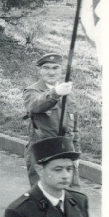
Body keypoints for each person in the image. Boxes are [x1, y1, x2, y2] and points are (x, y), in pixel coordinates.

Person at [23, 53, 80, 188]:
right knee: (44, 198)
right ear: (40, 70)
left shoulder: (69, 94)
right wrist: (55, 93)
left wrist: (77, 153)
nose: (51, 72)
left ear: (60, 70)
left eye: (55, 68)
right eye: (47, 68)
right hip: (42, 151)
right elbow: (35, 105)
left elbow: (75, 127)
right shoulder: (32, 91)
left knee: (74, 197)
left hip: (66, 151)